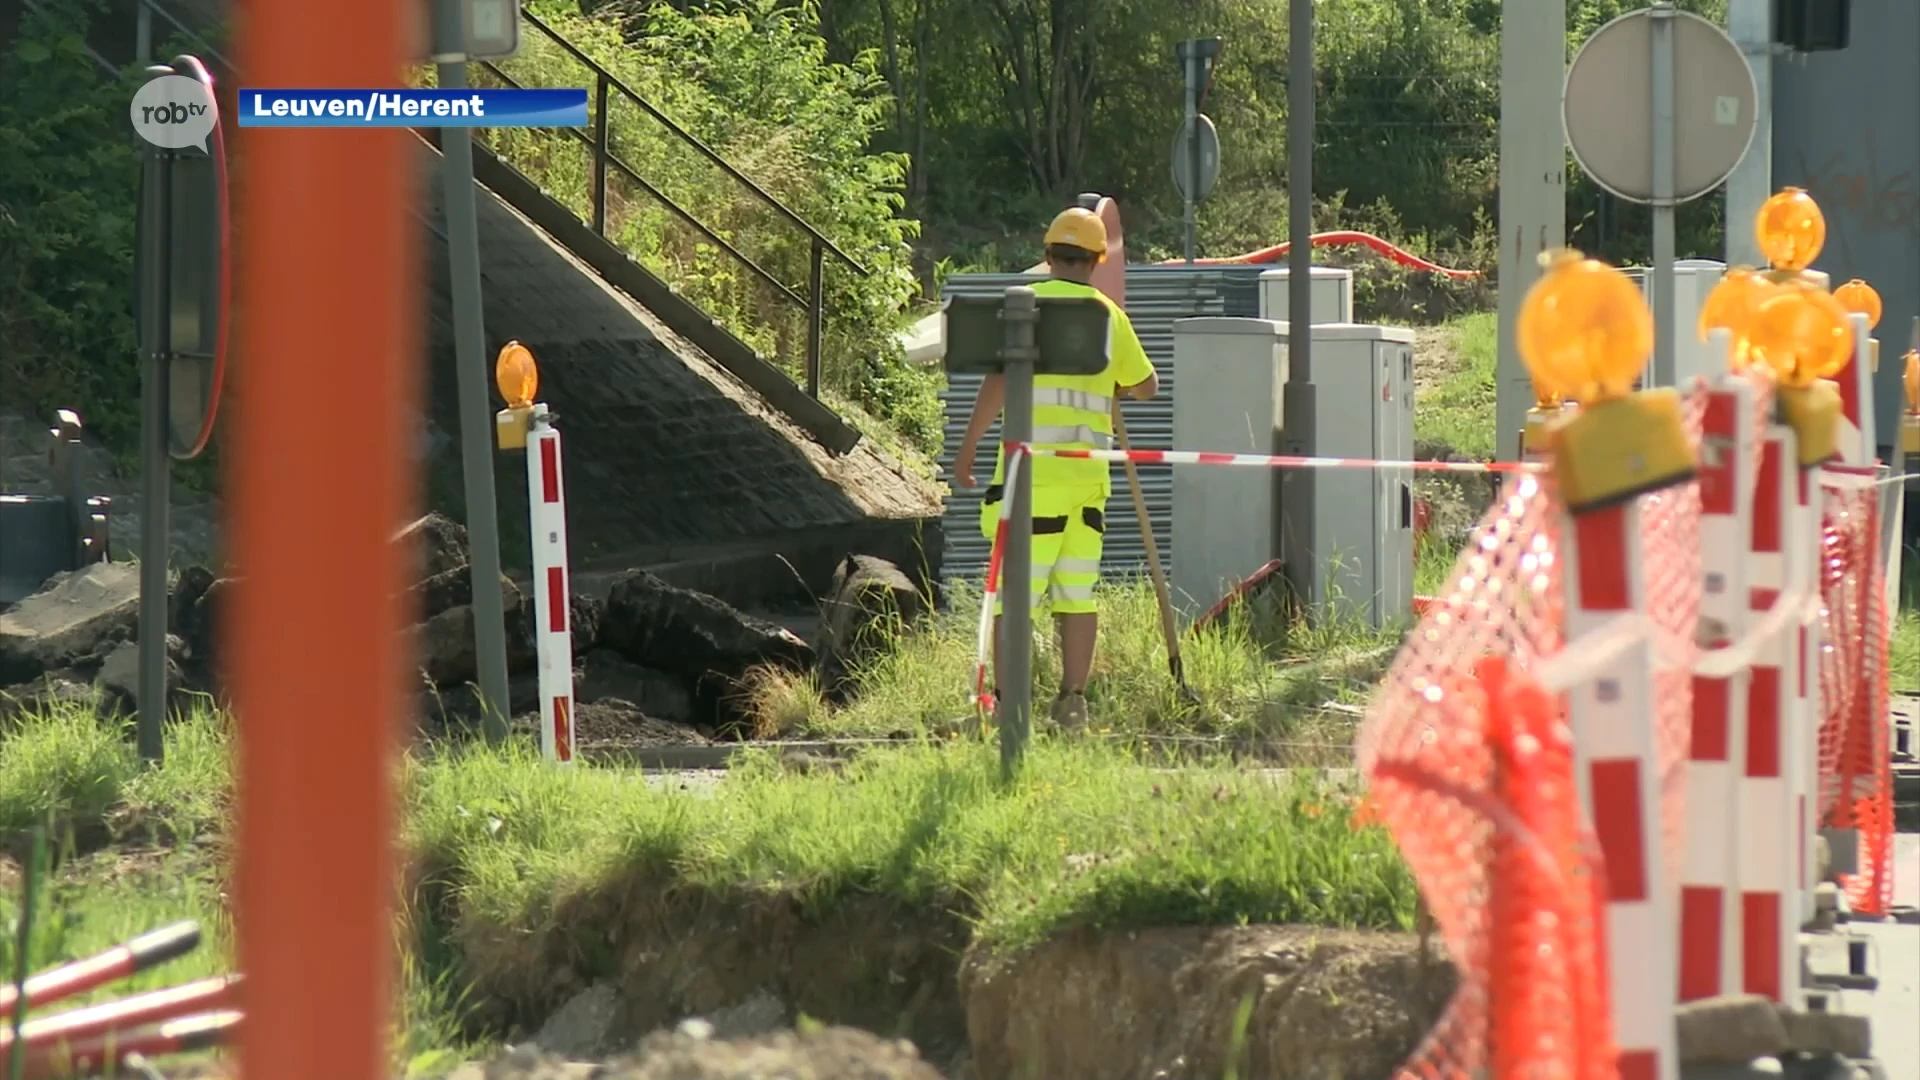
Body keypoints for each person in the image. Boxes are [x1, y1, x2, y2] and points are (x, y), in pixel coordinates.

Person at [953, 206, 1158, 730]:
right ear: (1096, 261)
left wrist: (968, 449)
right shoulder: (1109, 316)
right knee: (1077, 595)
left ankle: (1006, 708)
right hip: (1087, 485)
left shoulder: (1023, 305)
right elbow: (1147, 386)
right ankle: (1072, 704)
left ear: (1047, 258)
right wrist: (1117, 385)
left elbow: (997, 383)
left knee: (1013, 601)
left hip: (1029, 483)